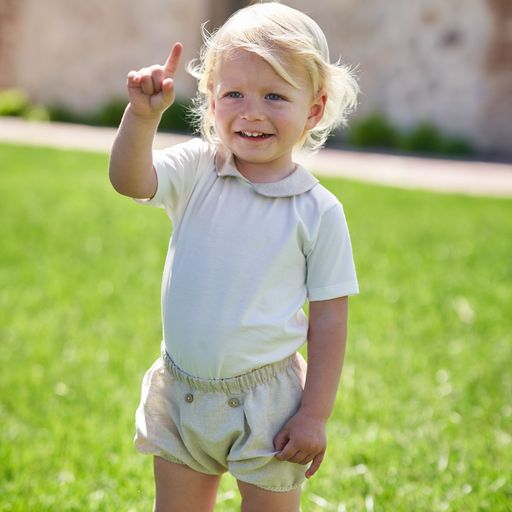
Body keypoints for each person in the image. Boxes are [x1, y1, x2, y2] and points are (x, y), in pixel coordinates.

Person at [109, 3, 359, 511]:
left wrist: (314, 415)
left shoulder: (318, 211)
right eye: (234, 94)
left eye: (274, 95)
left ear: (313, 109)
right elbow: (129, 180)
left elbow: (330, 320)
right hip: (185, 390)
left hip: (270, 402)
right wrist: (141, 117)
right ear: (210, 99)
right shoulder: (198, 169)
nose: (251, 111)